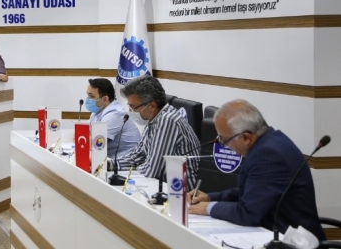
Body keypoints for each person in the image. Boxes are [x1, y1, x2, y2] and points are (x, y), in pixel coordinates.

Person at [188, 99, 325, 241]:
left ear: (246, 137)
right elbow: (252, 191)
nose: (224, 146)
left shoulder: (267, 155)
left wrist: (209, 208)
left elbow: (248, 213)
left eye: (224, 140)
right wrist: (210, 197)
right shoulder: (270, 141)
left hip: (294, 242)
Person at [117, 75, 201, 189]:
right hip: (160, 185)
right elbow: (138, 156)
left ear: (152, 106)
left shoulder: (168, 120)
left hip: (180, 192)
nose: (130, 111)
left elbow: (152, 170)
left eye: (134, 107)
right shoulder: (153, 119)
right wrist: (112, 164)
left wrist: (133, 170)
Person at [86, 78, 140, 159]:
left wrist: (88, 137)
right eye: (88, 95)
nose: (88, 99)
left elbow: (93, 144)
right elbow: (83, 134)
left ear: (105, 99)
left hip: (128, 162)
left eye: (92, 96)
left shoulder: (115, 114)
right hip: (110, 160)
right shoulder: (97, 111)